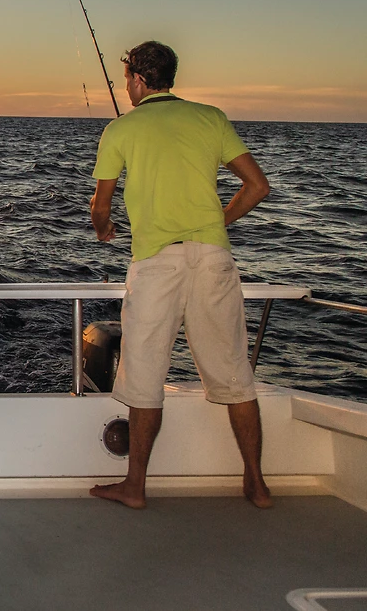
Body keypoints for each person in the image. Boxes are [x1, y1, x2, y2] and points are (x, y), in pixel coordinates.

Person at [88, 41, 272, 510]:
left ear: (138, 81)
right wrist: (216, 224)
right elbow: (257, 186)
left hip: (156, 262)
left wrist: (105, 230)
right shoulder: (211, 117)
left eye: (125, 77)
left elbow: (101, 205)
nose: (124, 85)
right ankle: (256, 483)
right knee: (235, 374)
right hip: (213, 259)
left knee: (146, 377)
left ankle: (135, 488)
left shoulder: (121, 129)